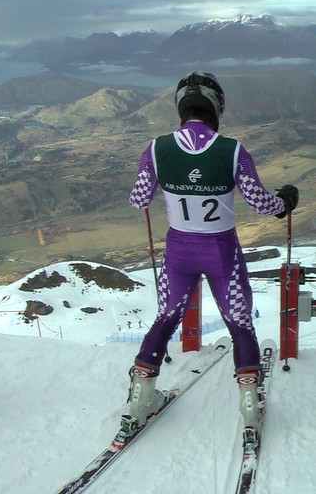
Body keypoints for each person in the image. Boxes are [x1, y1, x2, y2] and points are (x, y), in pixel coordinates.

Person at [123, 71, 298, 436]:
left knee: (165, 318)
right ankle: (250, 406)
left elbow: (138, 198)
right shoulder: (233, 150)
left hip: (178, 252)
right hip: (222, 252)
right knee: (239, 324)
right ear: (217, 106)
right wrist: (286, 201)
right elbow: (261, 203)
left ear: (180, 107)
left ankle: (140, 398)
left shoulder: (156, 148)